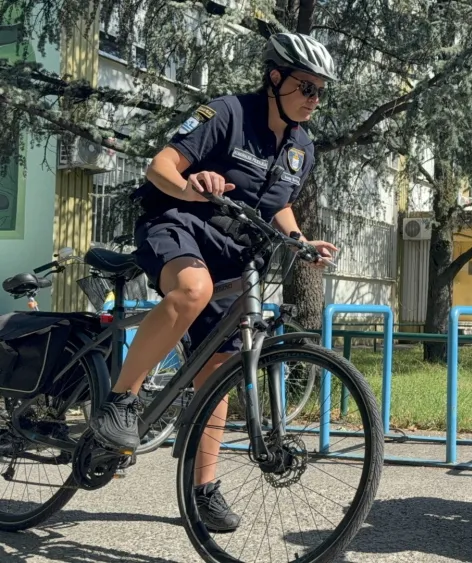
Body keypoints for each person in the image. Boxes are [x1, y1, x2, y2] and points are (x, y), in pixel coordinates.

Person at [88, 32, 340, 532]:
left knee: (219, 370)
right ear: (275, 78)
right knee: (193, 290)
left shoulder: (301, 146)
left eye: (320, 91)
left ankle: (203, 490)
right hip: (177, 225)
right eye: (306, 87)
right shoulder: (226, 113)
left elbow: (279, 203)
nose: (314, 99)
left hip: (234, 251)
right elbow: (161, 165)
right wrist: (192, 187)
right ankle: (119, 402)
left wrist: (300, 240)